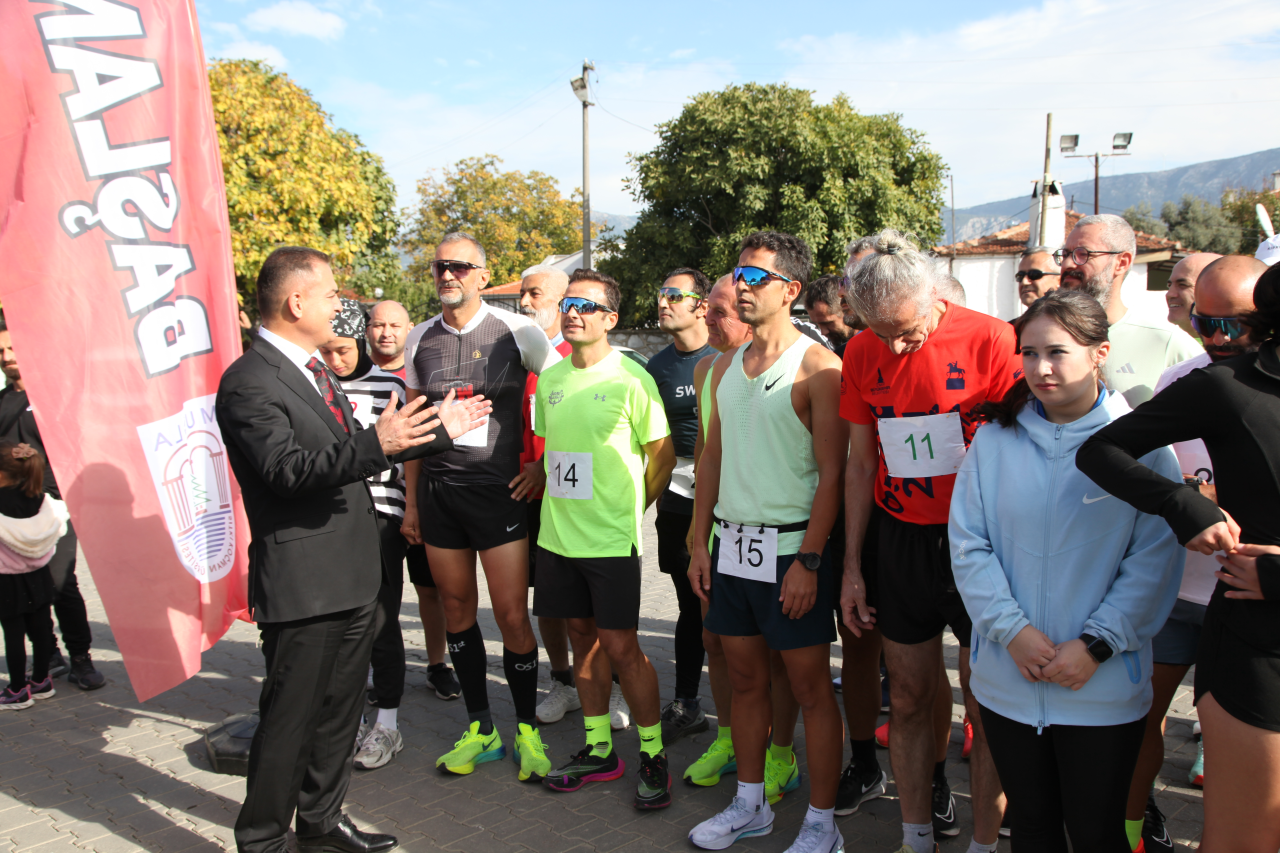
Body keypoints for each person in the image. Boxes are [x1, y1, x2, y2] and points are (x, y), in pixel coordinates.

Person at [217, 246, 487, 853]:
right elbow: (288, 470)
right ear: (297, 302)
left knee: (340, 713)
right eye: (333, 293)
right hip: (305, 582)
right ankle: (262, 840)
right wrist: (378, 442)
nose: (341, 304)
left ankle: (320, 823)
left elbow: (359, 453)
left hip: (354, 574)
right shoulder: (250, 380)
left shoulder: (314, 370)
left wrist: (437, 430)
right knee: (291, 721)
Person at [950, 290, 1184, 851]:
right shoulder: (994, 440)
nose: (1040, 368)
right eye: (1028, 353)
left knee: (1097, 831)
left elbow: (1154, 557)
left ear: (1099, 352)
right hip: (1011, 677)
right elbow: (968, 545)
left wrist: (1097, 644)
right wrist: (1012, 633)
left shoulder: (1143, 448)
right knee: (1031, 827)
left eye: (1057, 352)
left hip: (1100, 685)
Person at [1077, 259, 1280, 853]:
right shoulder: (1230, 384)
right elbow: (1103, 450)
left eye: (1228, 323)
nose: (1214, 335)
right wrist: (1183, 504)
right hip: (1255, 647)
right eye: (1204, 321)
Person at [840, 230, 1018, 853]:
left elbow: (1019, 448)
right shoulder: (862, 352)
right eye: (879, 331)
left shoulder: (990, 338)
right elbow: (860, 465)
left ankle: (985, 843)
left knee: (987, 702)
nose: (895, 344)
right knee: (911, 695)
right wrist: (853, 565)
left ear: (933, 295)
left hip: (979, 542)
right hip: (902, 542)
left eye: (906, 329)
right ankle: (915, 836)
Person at [687, 231, 847, 853]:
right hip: (731, 548)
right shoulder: (721, 367)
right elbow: (710, 461)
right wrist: (699, 544)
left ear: (791, 290)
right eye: (739, 276)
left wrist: (809, 559)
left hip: (791, 552)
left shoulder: (818, 366)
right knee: (745, 681)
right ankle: (749, 805)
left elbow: (834, 473)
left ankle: (822, 823)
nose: (744, 288)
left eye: (757, 278)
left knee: (809, 689)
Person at [399, 232, 560, 781]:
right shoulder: (419, 338)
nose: (448, 275)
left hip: (500, 496)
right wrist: (413, 504)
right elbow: (417, 427)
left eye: (460, 267)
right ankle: (481, 730)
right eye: (440, 266)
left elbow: (563, 394)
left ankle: (526, 731)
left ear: (482, 276)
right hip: (441, 497)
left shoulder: (519, 331)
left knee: (514, 616)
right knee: (457, 610)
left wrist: (543, 463)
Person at [534, 269, 676, 806]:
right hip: (557, 539)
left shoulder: (631, 378)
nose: (573, 312)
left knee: (622, 648)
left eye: (587, 306)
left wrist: (632, 508)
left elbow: (661, 455)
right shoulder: (550, 379)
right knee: (580, 640)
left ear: (611, 320)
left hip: (611, 542)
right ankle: (598, 750)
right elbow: (551, 454)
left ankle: (653, 753)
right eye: (569, 302)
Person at [682, 274, 806, 807]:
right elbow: (709, 455)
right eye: (706, 309)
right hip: (722, 532)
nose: (706, 319)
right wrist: (697, 535)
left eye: (718, 311)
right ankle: (731, 740)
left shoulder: (801, 363)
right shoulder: (707, 367)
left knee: (776, 655)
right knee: (719, 643)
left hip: (777, 534)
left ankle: (782, 752)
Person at [320, 299, 445, 770]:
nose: (335, 360)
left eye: (342, 350)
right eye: (327, 351)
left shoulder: (393, 384)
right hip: (328, 518)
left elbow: (411, 451)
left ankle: (387, 725)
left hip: (380, 515)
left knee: (379, 620)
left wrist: (411, 507)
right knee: (336, 626)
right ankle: (346, 721)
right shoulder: (315, 385)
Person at [509, 266, 595, 728]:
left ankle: (609, 684)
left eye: (534, 293)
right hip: (528, 501)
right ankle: (562, 681)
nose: (524, 302)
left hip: (579, 502)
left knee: (591, 602)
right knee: (546, 599)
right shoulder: (519, 356)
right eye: (522, 293)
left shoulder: (587, 362)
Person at [0, 320, 104, 690]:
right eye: (0, 352)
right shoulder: (1, 404)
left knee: (61, 585)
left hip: (55, 511)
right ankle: (48, 658)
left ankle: (81, 660)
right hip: (11, 519)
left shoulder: (54, 398)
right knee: (26, 591)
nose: (7, 357)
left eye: (12, 348)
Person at [364, 301, 456, 700]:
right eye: (377, 324)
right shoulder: (340, 377)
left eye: (395, 325)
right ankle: (375, 668)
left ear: (409, 329)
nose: (386, 332)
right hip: (369, 510)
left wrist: (417, 503)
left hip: (418, 500)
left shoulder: (418, 380)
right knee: (374, 594)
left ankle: (437, 664)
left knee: (429, 589)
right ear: (366, 329)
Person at [645, 267, 715, 745]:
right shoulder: (656, 367)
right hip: (675, 492)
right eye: (661, 294)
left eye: (674, 295)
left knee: (722, 604)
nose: (663, 303)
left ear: (702, 306)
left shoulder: (727, 356)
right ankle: (687, 702)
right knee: (689, 602)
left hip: (728, 489)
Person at [1055, 214, 1200, 407]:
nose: (1067, 264)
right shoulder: (1041, 336)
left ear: (1121, 262)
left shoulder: (1167, 343)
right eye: (1065, 255)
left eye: (1083, 254)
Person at [0, 443, 66, 709]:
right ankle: (41, 681)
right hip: (39, 575)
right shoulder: (40, 498)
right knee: (41, 628)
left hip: (6, 579)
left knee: (13, 633)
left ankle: (17, 689)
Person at [1164, 253, 1222, 338]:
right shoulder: (1158, 343)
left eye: (1183, 285)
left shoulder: (1234, 348)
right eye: (1170, 285)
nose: (1169, 294)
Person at [805, 273, 860, 356]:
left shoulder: (876, 344)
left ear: (846, 307)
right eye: (817, 324)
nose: (823, 332)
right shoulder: (831, 353)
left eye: (828, 323)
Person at [366, 301, 414, 376]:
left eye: (395, 326)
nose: (386, 334)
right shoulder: (352, 376)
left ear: (410, 330)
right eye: (379, 325)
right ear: (367, 331)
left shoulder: (421, 375)